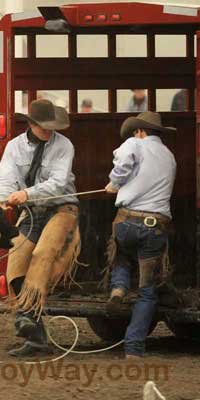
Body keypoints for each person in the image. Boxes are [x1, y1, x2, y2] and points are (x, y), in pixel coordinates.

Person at [0, 99, 81, 357]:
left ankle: (25, 316)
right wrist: (2, 200)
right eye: (44, 126)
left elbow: (58, 183)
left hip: (62, 209)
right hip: (31, 212)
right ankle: (35, 333)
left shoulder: (64, 146)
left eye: (52, 126)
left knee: (42, 255)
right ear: (30, 124)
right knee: (15, 267)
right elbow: (5, 178)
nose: (49, 130)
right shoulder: (14, 147)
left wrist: (26, 194)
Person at [104, 112, 176, 359]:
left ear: (140, 131)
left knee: (121, 254)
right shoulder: (169, 156)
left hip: (127, 220)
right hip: (155, 225)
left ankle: (119, 288)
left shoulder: (135, 143)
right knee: (147, 292)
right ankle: (134, 348)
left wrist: (115, 182)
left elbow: (123, 158)